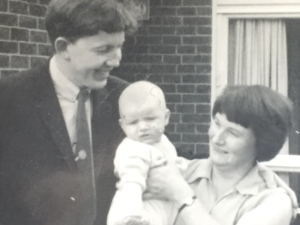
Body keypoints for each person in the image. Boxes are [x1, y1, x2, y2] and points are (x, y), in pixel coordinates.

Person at [0, 0, 141, 225]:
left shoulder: (125, 99)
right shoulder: (8, 101)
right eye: (103, 49)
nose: (116, 60)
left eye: (119, 46)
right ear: (63, 47)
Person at [145, 85, 296, 225]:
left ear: (261, 143)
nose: (217, 138)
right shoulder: (177, 170)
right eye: (217, 123)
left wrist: (182, 195)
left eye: (232, 133)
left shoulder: (274, 202)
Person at [107, 81, 185, 225]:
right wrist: (132, 216)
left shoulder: (163, 142)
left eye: (150, 119)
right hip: (137, 212)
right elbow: (132, 182)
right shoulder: (132, 148)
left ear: (166, 117)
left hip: (162, 211)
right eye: (133, 122)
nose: (142, 127)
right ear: (122, 125)